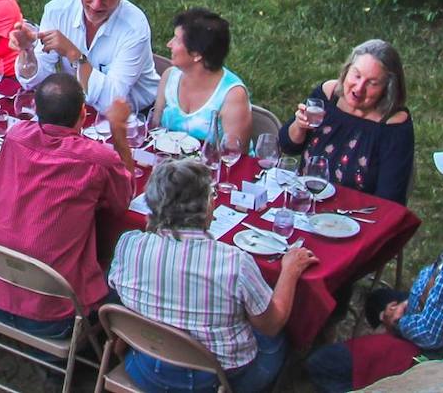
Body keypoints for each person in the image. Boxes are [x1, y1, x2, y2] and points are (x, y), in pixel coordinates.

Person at [305, 134, 443, 393]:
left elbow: (435, 334)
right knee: (377, 300)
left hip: (442, 353)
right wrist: (405, 305)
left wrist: (395, 321)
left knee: (322, 364)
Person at [109, 158, 316, 392]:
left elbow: (120, 293)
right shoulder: (235, 263)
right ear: (207, 207)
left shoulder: (129, 244)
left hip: (144, 367)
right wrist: (290, 270)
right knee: (279, 339)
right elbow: (272, 324)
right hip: (217, 382)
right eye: (211, 195)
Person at [0, 72, 131, 338]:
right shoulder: (97, 159)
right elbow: (123, 201)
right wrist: (119, 132)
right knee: (127, 268)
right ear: (83, 114)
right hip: (55, 318)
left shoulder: (15, 137)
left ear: (36, 109)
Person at [12, 0, 161, 121]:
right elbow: (35, 82)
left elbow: (113, 101)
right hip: (79, 109)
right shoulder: (57, 10)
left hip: (133, 118)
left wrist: (75, 55)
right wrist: (28, 51)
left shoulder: (135, 26)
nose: (96, 5)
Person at [279, 39, 414, 204]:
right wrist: (299, 126)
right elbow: (287, 145)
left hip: (356, 216)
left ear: (388, 87)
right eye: (356, 75)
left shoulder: (393, 124)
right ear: (346, 70)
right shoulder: (328, 95)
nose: (359, 88)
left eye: (372, 83)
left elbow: (391, 198)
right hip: (306, 201)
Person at [150, 8, 252, 145]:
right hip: (171, 163)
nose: (169, 44)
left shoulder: (233, 95)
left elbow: (234, 157)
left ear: (197, 54)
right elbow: (154, 130)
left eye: (177, 40)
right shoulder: (170, 77)